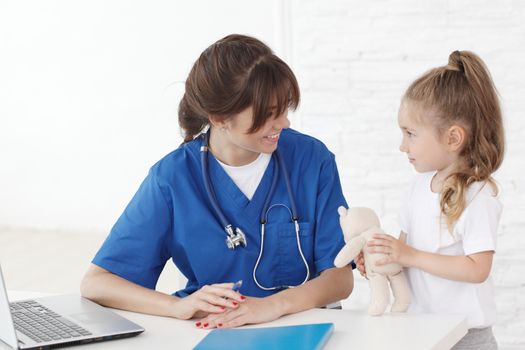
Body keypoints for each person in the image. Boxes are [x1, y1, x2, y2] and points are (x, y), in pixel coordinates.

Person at [80, 34, 354, 329]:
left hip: (301, 325)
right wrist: (178, 306)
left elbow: (339, 278)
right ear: (220, 118)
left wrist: (272, 307)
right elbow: (97, 283)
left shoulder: (311, 159)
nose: (284, 123)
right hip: (213, 330)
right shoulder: (173, 178)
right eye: (269, 114)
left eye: (285, 108)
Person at [359, 50, 504, 349]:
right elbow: (404, 253)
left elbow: (478, 268)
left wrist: (409, 255)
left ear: (453, 138)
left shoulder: (477, 195)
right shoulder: (417, 188)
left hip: (467, 337)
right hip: (421, 332)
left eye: (411, 134)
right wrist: (383, 259)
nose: (403, 145)